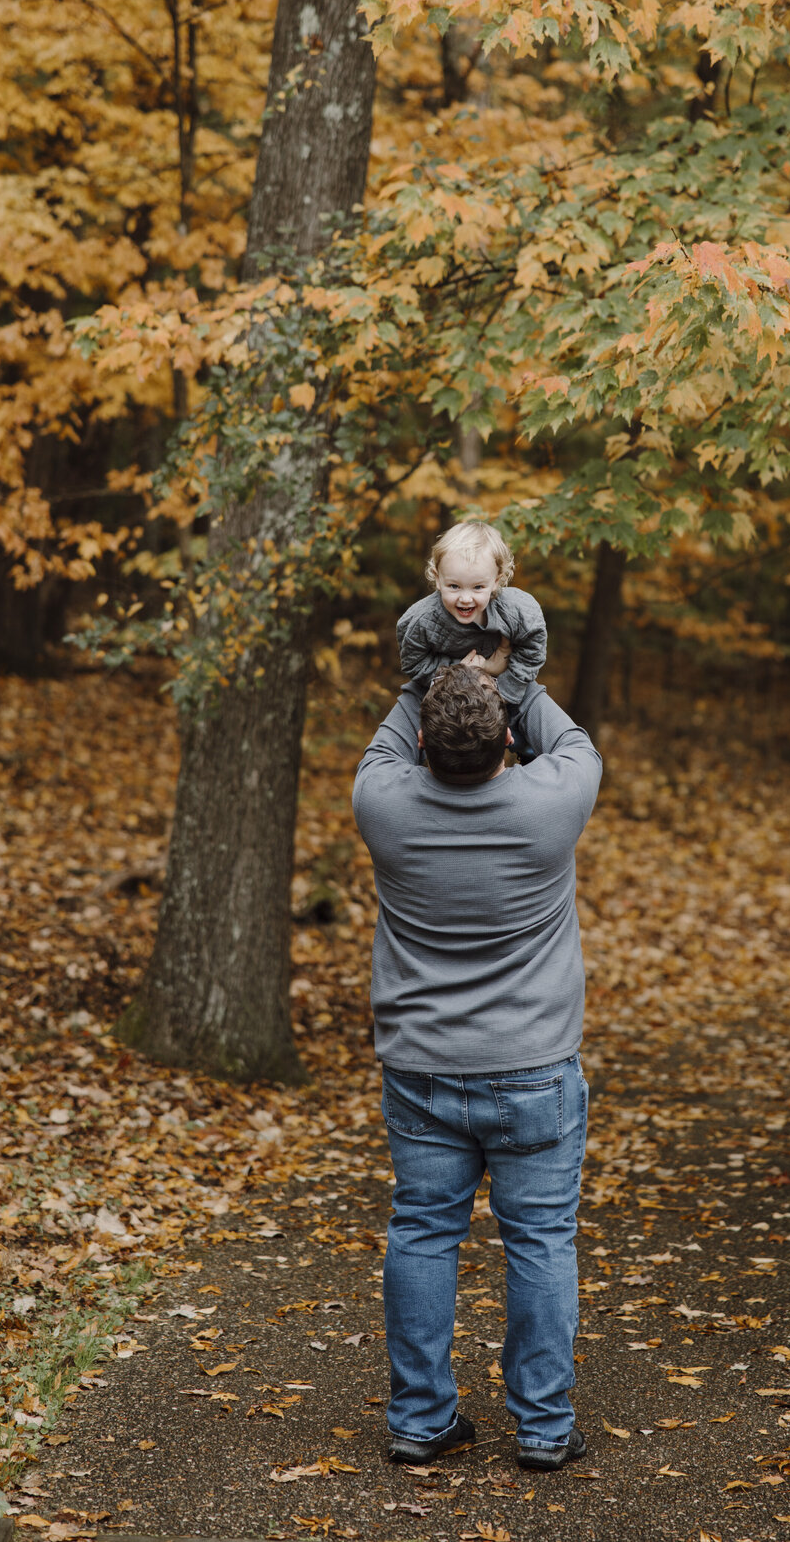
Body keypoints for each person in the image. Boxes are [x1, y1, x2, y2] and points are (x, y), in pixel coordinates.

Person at [351, 661, 601, 1472]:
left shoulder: (383, 804)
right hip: (534, 1070)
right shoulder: (550, 804)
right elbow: (570, 738)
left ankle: (421, 1421)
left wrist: (423, 669)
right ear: (507, 744)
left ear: (422, 741)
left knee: (424, 1231)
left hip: (421, 1070)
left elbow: (390, 737)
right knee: (539, 1240)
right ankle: (542, 1427)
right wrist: (511, 675)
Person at [396, 521, 547, 758]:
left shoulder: (516, 611)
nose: (465, 599)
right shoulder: (422, 620)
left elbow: (533, 649)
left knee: (530, 736)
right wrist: (458, 674)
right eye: (454, 586)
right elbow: (414, 662)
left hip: (504, 684)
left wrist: (503, 688)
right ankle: (429, 766)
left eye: (478, 587)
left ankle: (529, 760)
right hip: (445, 694)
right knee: (435, 735)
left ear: (496, 581)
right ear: (437, 578)